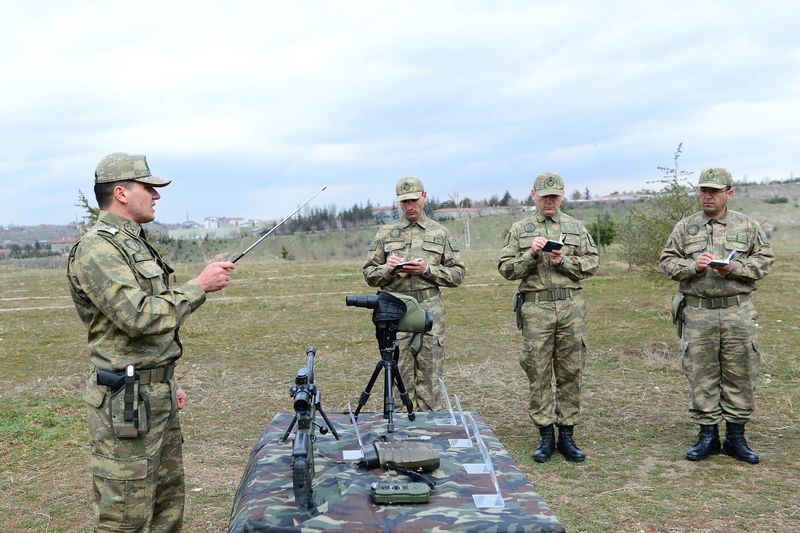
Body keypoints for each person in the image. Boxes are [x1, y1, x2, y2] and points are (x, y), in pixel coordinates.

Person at [67, 152, 236, 530]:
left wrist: (165, 381)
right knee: (125, 516)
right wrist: (199, 286)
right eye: (148, 188)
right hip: (125, 403)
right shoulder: (98, 249)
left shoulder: (133, 243)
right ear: (121, 193)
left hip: (153, 394)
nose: (156, 196)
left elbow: (150, 328)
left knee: (166, 507)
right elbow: (139, 316)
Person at [659, 167, 774, 464]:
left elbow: (765, 261)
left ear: (729, 193)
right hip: (699, 313)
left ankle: (736, 437)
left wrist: (734, 268)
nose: (707, 196)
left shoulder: (747, 225)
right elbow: (667, 261)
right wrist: (693, 266)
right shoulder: (685, 227)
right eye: (703, 190)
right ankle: (707, 436)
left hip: (737, 311)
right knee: (701, 373)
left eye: (714, 191)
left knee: (741, 371)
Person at [498, 172, 598, 462]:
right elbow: (506, 268)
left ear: (562, 196)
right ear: (534, 195)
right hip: (536, 308)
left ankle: (567, 434)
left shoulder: (576, 227)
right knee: (538, 370)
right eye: (544, 196)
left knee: (570, 370)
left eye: (554, 196)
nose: (549, 201)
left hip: (570, 308)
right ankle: (545, 435)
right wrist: (531, 255)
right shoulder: (520, 229)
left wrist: (564, 261)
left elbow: (592, 263)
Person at [362, 176, 466, 411]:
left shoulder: (440, 232)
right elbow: (369, 274)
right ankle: (402, 426)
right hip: (396, 313)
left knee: (430, 378)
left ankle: (428, 426)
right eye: (404, 202)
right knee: (399, 378)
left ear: (424, 197)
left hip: (429, 312)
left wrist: (427, 270)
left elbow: (458, 274)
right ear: (398, 202)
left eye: (414, 200)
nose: (410, 206)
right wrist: (387, 269)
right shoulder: (386, 233)